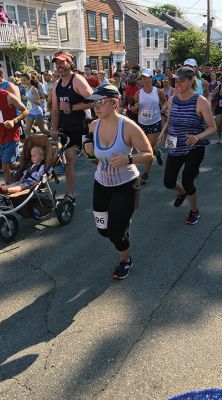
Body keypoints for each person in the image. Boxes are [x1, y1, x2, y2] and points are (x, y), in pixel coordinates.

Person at [86, 84, 152, 280]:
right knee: (103, 230)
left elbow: (150, 155)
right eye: (94, 103)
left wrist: (129, 159)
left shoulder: (129, 127)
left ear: (114, 103)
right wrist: (87, 148)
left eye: (100, 102)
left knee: (116, 234)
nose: (96, 107)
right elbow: (91, 153)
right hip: (101, 183)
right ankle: (122, 223)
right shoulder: (93, 125)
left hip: (126, 185)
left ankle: (125, 261)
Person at [157, 67, 216, 225]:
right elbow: (170, 120)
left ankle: (194, 210)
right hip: (176, 145)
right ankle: (182, 192)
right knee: (168, 182)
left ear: (191, 81)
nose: (178, 84)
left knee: (187, 180)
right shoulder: (172, 100)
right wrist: (163, 132)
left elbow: (212, 127)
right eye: (176, 80)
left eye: (182, 81)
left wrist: (198, 136)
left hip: (194, 147)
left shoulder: (200, 101)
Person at [51, 50, 93, 204]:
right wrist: (54, 128)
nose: (58, 66)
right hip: (67, 129)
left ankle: (111, 175)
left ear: (69, 62)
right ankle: (70, 195)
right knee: (69, 161)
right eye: (56, 63)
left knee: (94, 158)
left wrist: (71, 107)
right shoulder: (56, 85)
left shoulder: (77, 80)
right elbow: (55, 109)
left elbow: (95, 100)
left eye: (61, 62)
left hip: (82, 127)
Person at [131, 69, 166, 183]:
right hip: (142, 123)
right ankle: (157, 152)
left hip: (155, 122)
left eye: (146, 77)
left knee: (148, 150)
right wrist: (134, 109)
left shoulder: (158, 91)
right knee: (145, 148)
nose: (144, 79)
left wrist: (162, 110)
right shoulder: (138, 93)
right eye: (142, 77)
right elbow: (133, 108)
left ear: (152, 78)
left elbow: (165, 102)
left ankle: (145, 174)